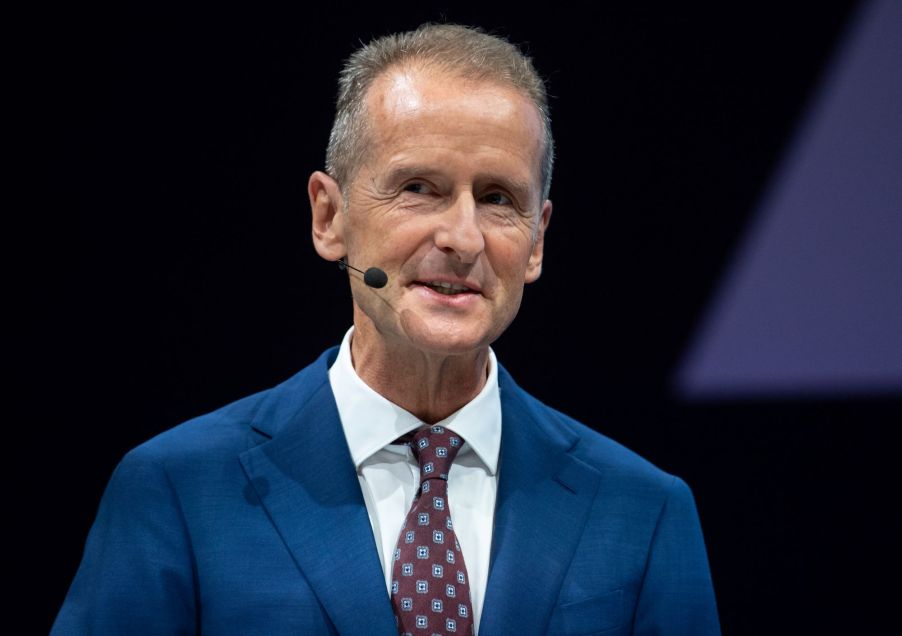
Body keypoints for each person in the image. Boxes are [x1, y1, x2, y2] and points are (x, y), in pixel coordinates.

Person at [53, 24, 720, 635]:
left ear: (538, 240)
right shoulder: (177, 491)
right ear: (329, 217)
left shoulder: (643, 512)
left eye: (497, 199)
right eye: (419, 188)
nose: (462, 238)